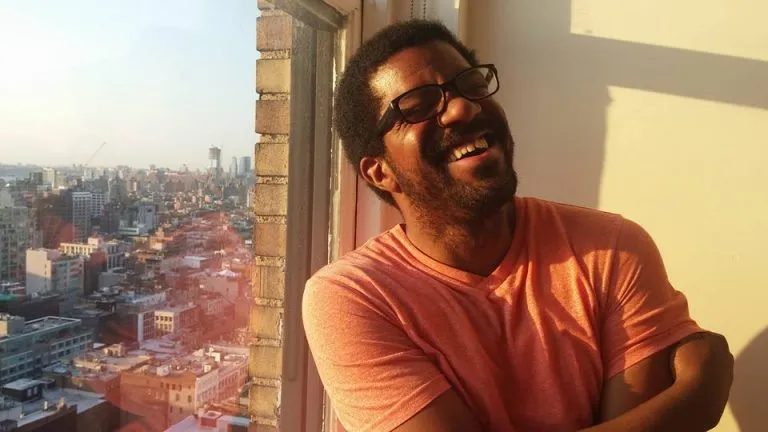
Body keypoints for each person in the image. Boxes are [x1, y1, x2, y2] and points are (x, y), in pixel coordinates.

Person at [303, 20, 733, 432]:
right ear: (380, 172)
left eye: (471, 84)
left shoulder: (613, 249)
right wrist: (689, 403)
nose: (463, 107)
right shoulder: (354, 297)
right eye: (418, 107)